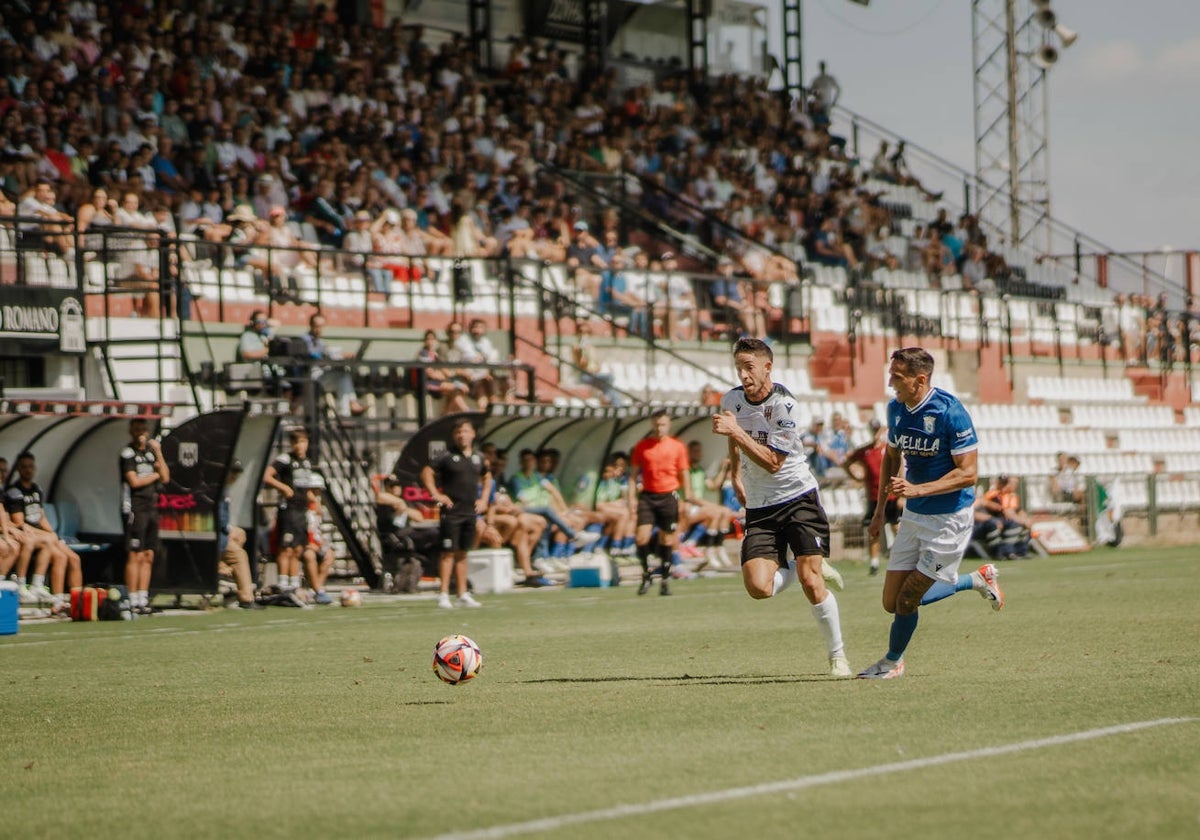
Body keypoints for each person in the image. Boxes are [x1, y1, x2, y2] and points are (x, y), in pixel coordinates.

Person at [857, 347, 1004, 680]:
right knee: (891, 601)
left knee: (908, 599)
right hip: (914, 516)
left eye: (897, 376)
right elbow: (891, 458)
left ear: (919, 379)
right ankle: (975, 579)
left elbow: (968, 474)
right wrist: (880, 511)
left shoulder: (951, 412)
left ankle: (892, 662)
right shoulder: (896, 409)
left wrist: (918, 489)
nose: (890, 382)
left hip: (949, 520)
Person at [711, 338, 851, 677]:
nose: (743, 375)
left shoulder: (784, 405)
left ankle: (838, 656)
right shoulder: (731, 399)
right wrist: (735, 475)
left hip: (798, 498)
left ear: (767, 367)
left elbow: (774, 462)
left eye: (749, 367)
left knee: (810, 580)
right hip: (761, 506)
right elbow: (734, 436)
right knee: (758, 588)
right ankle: (802, 560)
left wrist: (737, 432)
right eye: (738, 368)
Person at [421, 417, 490, 609]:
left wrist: (484, 499)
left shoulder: (478, 457)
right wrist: (436, 494)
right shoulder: (446, 456)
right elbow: (426, 472)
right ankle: (443, 594)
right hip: (451, 512)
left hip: (469, 511)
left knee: (463, 553)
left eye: (465, 431)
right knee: (447, 553)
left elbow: (487, 476)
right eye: (458, 432)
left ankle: (462, 593)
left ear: (473, 434)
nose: (462, 435)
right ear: (454, 436)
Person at [629, 409, 694, 596]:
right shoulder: (642, 446)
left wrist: (687, 498)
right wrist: (631, 498)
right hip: (648, 496)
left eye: (663, 424)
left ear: (669, 425)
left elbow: (684, 473)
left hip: (669, 496)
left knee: (667, 539)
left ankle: (665, 578)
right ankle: (646, 573)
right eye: (656, 424)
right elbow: (633, 475)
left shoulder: (677, 446)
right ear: (652, 424)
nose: (659, 428)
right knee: (641, 536)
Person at [120, 418, 169, 615]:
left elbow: (166, 477)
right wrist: (156, 475)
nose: (141, 431)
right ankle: (131, 599)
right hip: (135, 508)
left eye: (144, 428)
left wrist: (158, 452)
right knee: (135, 554)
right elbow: (134, 482)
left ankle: (142, 598)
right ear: (131, 430)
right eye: (137, 428)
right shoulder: (128, 453)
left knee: (148, 555)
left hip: (151, 508)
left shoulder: (150, 453)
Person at [263, 427, 315, 602]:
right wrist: (283, 487)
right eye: (297, 442)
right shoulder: (285, 459)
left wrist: (312, 500)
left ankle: (293, 584)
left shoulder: (307, 462)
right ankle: (282, 584)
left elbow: (304, 486)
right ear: (292, 444)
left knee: (298, 548)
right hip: (289, 509)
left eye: (303, 442)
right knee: (286, 547)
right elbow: (267, 476)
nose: (300, 446)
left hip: (302, 510)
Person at [843, 419, 901, 575]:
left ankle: (901, 557)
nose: (875, 432)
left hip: (890, 496)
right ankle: (874, 563)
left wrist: (900, 491)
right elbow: (846, 461)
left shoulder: (887, 449)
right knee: (873, 529)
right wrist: (855, 476)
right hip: (873, 497)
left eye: (877, 429)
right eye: (873, 429)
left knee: (896, 526)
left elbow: (900, 464)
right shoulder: (865, 451)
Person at [216, 460, 262, 610]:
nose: (235, 476)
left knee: (241, 534)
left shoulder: (225, 489)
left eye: (237, 472)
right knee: (240, 555)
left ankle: (227, 578)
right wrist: (228, 530)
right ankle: (246, 598)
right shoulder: (218, 490)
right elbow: (218, 518)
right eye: (232, 472)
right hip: (214, 539)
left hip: (220, 537)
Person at [301, 313, 366, 417]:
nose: (319, 329)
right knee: (342, 376)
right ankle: (352, 405)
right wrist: (335, 355)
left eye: (321, 326)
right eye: (317, 326)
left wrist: (340, 356)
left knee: (343, 375)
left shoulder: (320, 342)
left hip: (321, 375)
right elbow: (315, 355)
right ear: (311, 325)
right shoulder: (305, 340)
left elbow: (326, 354)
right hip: (310, 376)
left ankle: (346, 412)